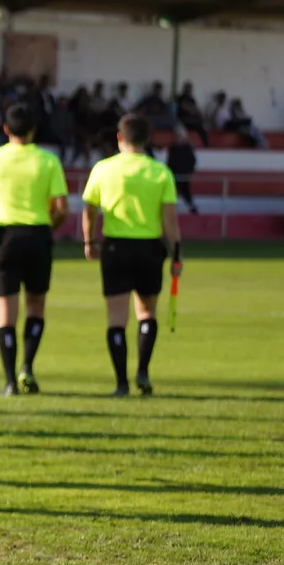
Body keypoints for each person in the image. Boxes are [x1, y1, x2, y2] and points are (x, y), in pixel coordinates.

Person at [0, 101, 69, 395]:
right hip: (37, 235)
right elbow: (62, 208)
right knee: (36, 305)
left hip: (4, 238)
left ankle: (10, 381)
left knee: (6, 312)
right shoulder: (48, 161)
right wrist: (48, 224)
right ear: (34, 130)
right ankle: (27, 366)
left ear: (6, 129)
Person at [82, 115, 182, 394]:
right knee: (147, 313)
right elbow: (170, 222)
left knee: (116, 318)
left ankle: (121, 383)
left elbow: (89, 209)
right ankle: (143, 372)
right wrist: (176, 254)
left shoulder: (103, 169)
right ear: (146, 139)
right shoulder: (161, 172)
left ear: (119, 138)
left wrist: (89, 241)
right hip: (150, 248)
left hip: (115, 247)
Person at [165, 130, 198, 214]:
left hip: (184, 174)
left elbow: (192, 160)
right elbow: (170, 161)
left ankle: (192, 208)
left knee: (185, 191)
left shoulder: (187, 147)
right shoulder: (173, 148)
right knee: (174, 192)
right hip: (175, 174)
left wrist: (189, 171)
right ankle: (170, 210)